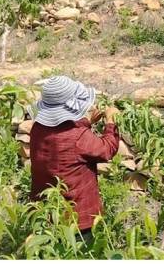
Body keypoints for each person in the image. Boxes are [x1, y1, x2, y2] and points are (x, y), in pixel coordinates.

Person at [29, 76, 120, 245]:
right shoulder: (79, 137)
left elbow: (63, 134)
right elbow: (107, 150)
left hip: (45, 212)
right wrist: (110, 121)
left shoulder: (37, 129)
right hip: (77, 218)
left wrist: (87, 122)